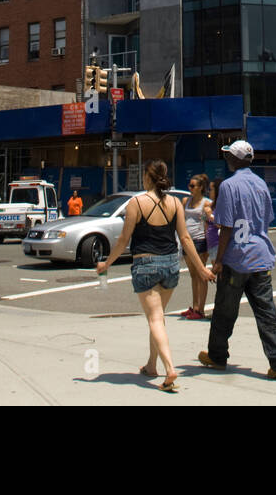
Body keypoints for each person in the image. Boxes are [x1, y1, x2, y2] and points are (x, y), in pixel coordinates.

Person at [97, 161, 214, 392]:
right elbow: (186, 238)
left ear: (147, 178)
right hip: (170, 265)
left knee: (154, 319)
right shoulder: (174, 203)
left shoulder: (136, 203)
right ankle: (151, 365)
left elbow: (123, 241)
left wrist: (106, 263)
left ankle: (169, 368)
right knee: (157, 317)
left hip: (145, 264)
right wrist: (201, 269)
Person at [198, 141, 276, 380]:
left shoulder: (229, 186)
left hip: (236, 257)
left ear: (236, 160)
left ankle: (218, 356)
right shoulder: (261, 184)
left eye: (229, 155)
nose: (227, 158)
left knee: (224, 311)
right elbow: (267, 218)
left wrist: (218, 260)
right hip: (260, 255)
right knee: (266, 311)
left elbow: (226, 226)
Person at [181, 174, 213, 320]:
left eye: (193, 186)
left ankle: (201, 309)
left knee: (201, 274)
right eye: (189, 185)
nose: (190, 188)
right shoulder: (186, 201)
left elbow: (211, 220)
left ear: (201, 188)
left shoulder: (206, 203)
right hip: (188, 240)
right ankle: (195, 307)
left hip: (200, 240)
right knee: (193, 275)